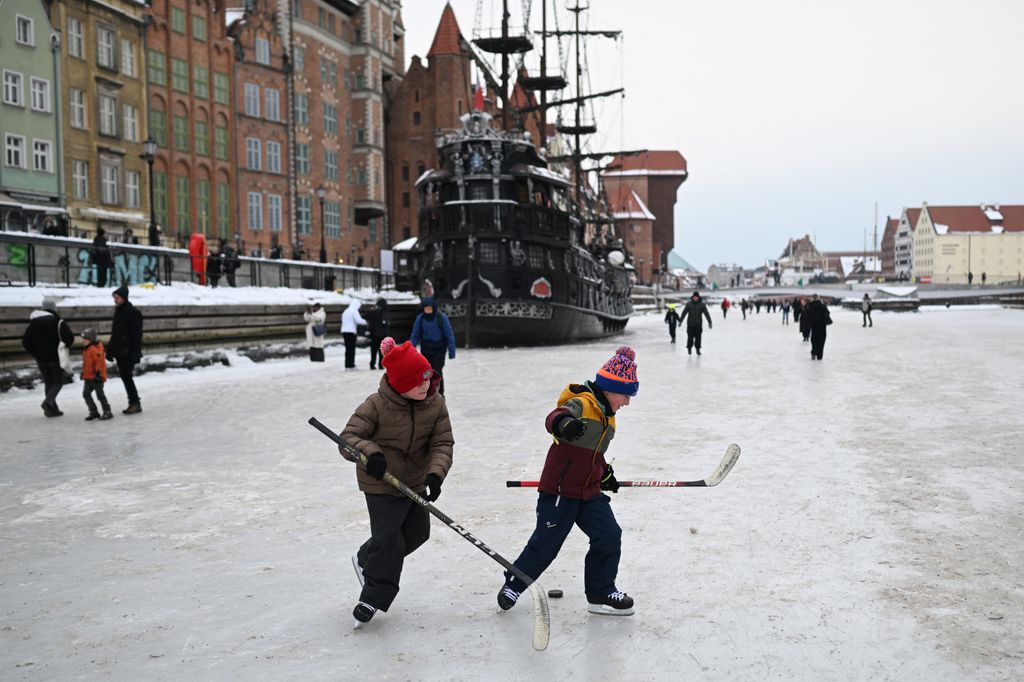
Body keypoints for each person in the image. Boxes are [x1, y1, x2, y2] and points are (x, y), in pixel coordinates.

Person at [497, 346, 638, 617]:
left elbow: (595, 455)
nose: (627, 403)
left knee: (609, 535)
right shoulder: (583, 403)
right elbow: (555, 416)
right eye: (626, 395)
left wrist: (605, 474)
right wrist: (564, 425)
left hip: (589, 492)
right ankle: (514, 584)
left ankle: (601, 591)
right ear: (610, 388)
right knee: (546, 543)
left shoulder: (609, 418)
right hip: (560, 490)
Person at [341, 336, 453, 628]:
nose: (426, 386)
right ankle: (372, 598)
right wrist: (370, 454)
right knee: (390, 540)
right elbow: (348, 439)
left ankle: (367, 556)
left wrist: (435, 474)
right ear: (401, 384)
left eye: (428, 379)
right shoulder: (376, 405)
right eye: (418, 383)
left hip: (414, 481)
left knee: (417, 534)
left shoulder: (435, 403)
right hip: (380, 481)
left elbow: (442, 442)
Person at [21, 297, 75, 417]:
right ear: (53, 308)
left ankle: (52, 410)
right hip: (56, 358)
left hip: (41, 359)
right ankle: (48, 402)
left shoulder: (33, 324)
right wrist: (64, 346)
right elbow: (69, 338)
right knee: (58, 382)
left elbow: (25, 342)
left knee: (49, 383)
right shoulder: (58, 322)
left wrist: (36, 352)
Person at [107, 285, 144, 414]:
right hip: (120, 352)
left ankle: (134, 402)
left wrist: (135, 353)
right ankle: (134, 402)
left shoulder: (133, 313)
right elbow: (115, 334)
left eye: (117, 298)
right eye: (114, 298)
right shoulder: (118, 312)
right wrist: (110, 350)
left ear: (123, 298)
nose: (115, 300)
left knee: (127, 377)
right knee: (125, 377)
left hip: (128, 352)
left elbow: (136, 335)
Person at [410, 297, 456, 395]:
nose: (428, 311)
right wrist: (410, 349)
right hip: (426, 348)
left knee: (437, 371)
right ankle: (429, 393)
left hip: (439, 348)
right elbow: (415, 334)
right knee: (427, 372)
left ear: (433, 308)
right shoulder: (420, 318)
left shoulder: (441, 318)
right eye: (426, 309)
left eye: (430, 309)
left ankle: (440, 393)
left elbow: (449, 334)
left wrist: (452, 351)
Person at [79, 328, 113, 421]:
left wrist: (99, 374)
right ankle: (93, 412)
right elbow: (86, 363)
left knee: (100, 395)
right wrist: (83, 372)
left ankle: (107, 411)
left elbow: (100, 363)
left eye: (85, 339)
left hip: (97, 377)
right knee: (86, 394)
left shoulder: (95, 350)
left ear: (90, 339)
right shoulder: (86, 349)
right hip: (88, 377)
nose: (83, 341)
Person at [678, 291, 713, 355]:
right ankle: (689, 349)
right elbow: (684, 313)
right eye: (694, 297)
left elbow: (706, 313)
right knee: (690, 337)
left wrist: (709, 322)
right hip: (690, 325)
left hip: (698, 325)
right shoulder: (689, 304)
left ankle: (698, 349)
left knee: (698, 338)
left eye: (696, 297)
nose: (695, 298)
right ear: (693, 297)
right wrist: (680, 321)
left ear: (698, 297)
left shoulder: (702, 304)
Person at [803, 294, 832, 360]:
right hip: (822, 326)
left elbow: (806, 315)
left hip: (814, 326)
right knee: (821, 340)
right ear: (818, 298)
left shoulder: (810, 306)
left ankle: (814, 352)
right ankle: (819, 355)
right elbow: (827, 313)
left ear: (812, 298)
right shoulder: (823, 306)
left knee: (814, 340)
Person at [364, 297, 390, 369]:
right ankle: (380, 365)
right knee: (381, 350)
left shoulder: (373, 312)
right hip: (383, 335)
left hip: (374, 334)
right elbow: (386, 323)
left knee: (373, 350)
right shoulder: (386, 312)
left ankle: (372, 364)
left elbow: (365, 316)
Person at [340, 300, 367, 369]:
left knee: (347, 348)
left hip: (344, 331)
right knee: (351, 349)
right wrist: (366, 322)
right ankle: (351, 365)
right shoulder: (354, 311)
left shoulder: (346, 311)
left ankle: (347, 364)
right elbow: (359, 321)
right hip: (351, 332)